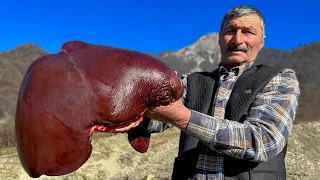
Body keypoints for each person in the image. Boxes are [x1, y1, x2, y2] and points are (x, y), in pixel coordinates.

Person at [140, 5, 300, 180]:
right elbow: (157, 121)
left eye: (248, 32)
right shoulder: (191, 81)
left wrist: (183, 117)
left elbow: (262, 141)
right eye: (231, 30)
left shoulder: (279, 78)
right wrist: (138, 110)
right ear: (219, 38)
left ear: (261, 42)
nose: (237, 39)